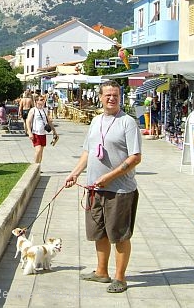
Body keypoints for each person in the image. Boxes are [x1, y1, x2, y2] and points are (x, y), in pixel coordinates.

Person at [64, 80, 142, 294]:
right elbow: (88, 151)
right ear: (100, 97)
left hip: (120, 190)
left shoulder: (128, 123)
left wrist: (109, 176)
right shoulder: (96, 121)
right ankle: (101, 272)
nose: (111, 98)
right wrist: (75, 173)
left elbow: (135, 158)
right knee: (99, 233)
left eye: (115, 95)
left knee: (119, 235)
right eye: (107, 95)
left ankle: (120, 277)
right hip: (94, 188)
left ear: (120, 97)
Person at [26, 97, 55, 164]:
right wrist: (29, 132)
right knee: (38, 150)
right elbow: (28, 121)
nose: (43, 101)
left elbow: (49, 121)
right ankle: (35, 167)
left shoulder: (45, 110)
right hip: (36, 133)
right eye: (41, 100)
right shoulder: (33, 110)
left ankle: (39, 166)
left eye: (43, 100)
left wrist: (54, 131)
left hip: (43, 133)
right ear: (36, 101)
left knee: (41, 152)